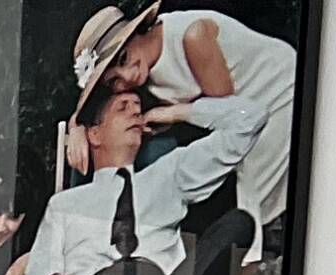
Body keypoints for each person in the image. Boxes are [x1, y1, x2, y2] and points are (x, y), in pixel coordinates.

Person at [19, 80, 264, 275]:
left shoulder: (170, 174)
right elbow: (38, 268)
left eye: (139, 108)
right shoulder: (65, 204)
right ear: (94, 134)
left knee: (238, 223)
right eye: (123, 109)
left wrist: (176, 112)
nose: (135, 113)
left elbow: (251, 119)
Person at [73, 6, 298, 239]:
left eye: (123, 58)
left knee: (253, 197)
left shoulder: (192, 37)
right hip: (245, 114)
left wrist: (173, 114)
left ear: (135, 33)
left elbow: (226, 114)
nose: (127, 76)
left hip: (276, 93)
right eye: (114, 81)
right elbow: (97, 110)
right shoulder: (143, 69)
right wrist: (76, 127)